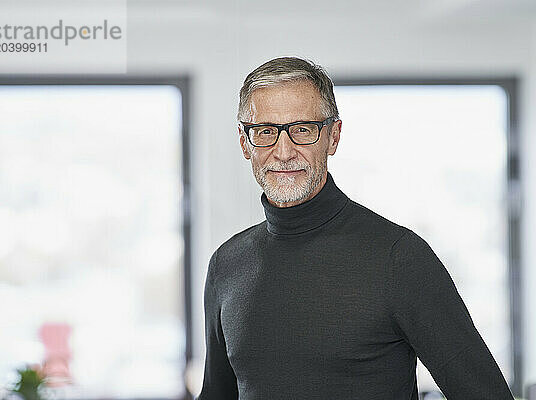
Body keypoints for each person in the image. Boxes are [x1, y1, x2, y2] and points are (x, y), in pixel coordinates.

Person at [197, 56, 514, 400]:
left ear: (332, 137)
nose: (284, 151)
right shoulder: (226, 265)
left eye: (302, 130)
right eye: (266, 131)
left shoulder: (400, 258)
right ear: (245, 143)